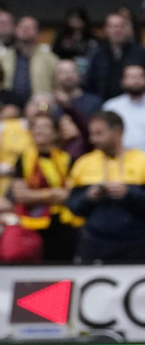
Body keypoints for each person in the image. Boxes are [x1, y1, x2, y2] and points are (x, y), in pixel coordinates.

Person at [66, 110, 145, 263]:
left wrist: (129, 193)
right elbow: (73, 206)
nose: (93, 139)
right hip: (94, 245)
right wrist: (89, 196)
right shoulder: (84, 163)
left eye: (99, 133)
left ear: (117, 133)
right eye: (91, 134)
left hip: (134, 246)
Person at [10, 111, 80, 262]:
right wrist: (52, 194)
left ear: (55, 133)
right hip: (31, 224)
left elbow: (68, 194)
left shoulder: (67, 160)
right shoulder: (23, 159)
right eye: (35, 126)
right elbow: (20, 195)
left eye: (45, 126)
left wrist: (35, 195)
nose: (39, 130)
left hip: (62, 224)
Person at [85, 12, 145, 102]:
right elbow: (90, 85)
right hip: (105, 106)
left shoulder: (143, 53)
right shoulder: (97, 55)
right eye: (112, 27)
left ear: (128, 30)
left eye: (120, 26)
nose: (117, 31)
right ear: (106, 30)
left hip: (137, 105)